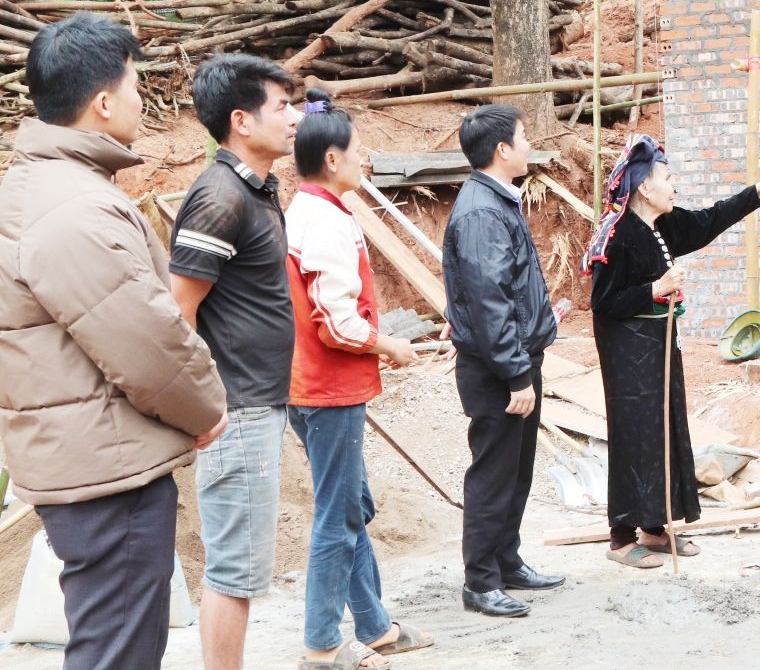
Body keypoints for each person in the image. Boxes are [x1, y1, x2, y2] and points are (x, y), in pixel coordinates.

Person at [0, 12, 227, 670]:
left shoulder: (37, 186)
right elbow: (146, 343)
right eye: (133, 84)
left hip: (84, 457)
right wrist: (205, 409)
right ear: (102, 102)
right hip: (108, 471)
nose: (140, 98)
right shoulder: (74, 206)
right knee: (118, 651)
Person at [583, 135, 760, 568]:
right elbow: (603, 304)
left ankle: (654, 527)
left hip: (659, 346)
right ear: (645, 187)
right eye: (667, 177)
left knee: (663, 430)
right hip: (627, 355)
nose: (674, 185)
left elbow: (706, 221)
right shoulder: (618, 234)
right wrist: (655, 288)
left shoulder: (661, 225)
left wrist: (755, 193)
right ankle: (622, 537)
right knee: (635, 435)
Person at [285, 88, 434, 669]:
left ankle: (373, 625)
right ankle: (321, 643)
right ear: (331, 159)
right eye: (357, 150)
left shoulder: (309, 211)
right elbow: (336, 322)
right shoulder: (323, 221)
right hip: (328, 387)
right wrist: (389, 344)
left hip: (314, 385)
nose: (363, 159)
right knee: (338, 514)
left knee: (350, 504)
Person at [169, 54, 301, 670]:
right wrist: (203, 406)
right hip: (236, 410)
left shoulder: (254, 188)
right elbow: (178, 312)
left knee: (240, 569)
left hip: (256, 402)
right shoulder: (221, 196)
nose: (295, 118)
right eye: (283, 106)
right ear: (242, 121)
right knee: (234, 572)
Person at [442, 105, 565, 617]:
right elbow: (490, 300)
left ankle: (506, 561)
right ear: (502, 149)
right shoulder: (482, 213)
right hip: (497, 369)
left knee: (516, 470)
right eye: (524, 136)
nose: (530, 144)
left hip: (515, 358)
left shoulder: (496, 200)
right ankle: (480, 580)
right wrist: (515, 373)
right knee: (494, 472)